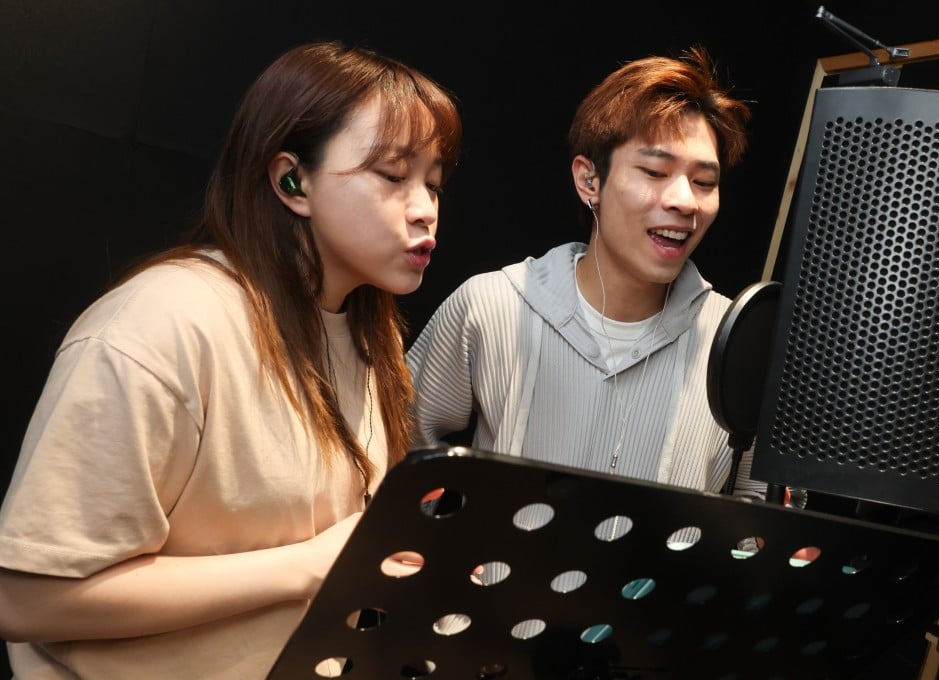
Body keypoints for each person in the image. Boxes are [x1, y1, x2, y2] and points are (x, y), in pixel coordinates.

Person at [0, 40, 461, 678]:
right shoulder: (160, 326)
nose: (425, 209)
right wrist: (313, 563)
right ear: (292, 181)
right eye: (393, 175)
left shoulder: (368, 335)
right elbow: (24, 599)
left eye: (433, 183)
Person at [406, 46, 767, 506]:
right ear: (589, 181)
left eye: (704, 182)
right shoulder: (493, 305)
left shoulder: (736, 344)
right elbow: (399, 448)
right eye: (655, 171)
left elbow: (763, 512)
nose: (685, 201)